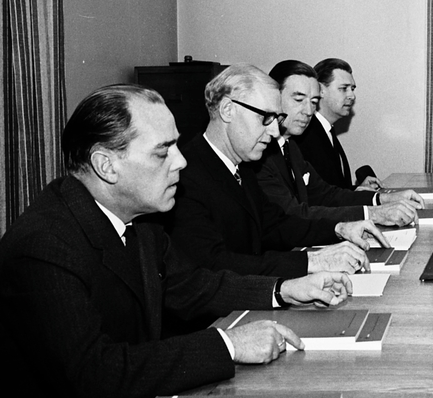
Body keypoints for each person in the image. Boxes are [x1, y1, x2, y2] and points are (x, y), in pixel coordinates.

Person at [0, 84, 352, 398]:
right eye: (163, 151)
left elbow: (196, 287)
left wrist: (284, 290)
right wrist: (228, 345)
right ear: (106, 165)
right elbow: (95, 375)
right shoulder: (44, 247)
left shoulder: (140, 223)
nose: (181, 161)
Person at [164, 64, 390, 277]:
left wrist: (339, 229)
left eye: (277, 118)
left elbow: (276, 225)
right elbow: (214, 264)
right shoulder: (184, 176)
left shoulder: (243, 164)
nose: (274, 131)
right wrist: (311, 261)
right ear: (227, 110)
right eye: (265, 117)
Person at [256, 60, 423, 225]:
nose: (308, 111)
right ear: (273, 98)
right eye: (299, 100)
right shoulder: (259, 153)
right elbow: (292, 214)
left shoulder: (290, 146)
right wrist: (373, 214)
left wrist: (383, 199)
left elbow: (326, 194)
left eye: (313, 102)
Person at [297, 57, 379, 191]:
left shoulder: (326, 130)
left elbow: (331, 187)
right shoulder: (305, 135)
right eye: (344, 88)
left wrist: (356, 190)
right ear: (320, 90)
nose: (352, 96)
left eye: (352, 88)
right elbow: (314, 195)